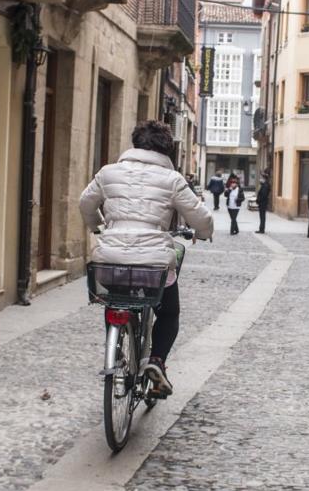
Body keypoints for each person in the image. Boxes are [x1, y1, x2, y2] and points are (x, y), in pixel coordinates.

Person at [79, 121, 213, 396]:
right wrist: (202, 232)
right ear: (167, 151)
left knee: (116, 300)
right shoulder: (173, 180)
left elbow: (85, 203)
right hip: (153, 263)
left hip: (110, 258)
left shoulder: (108, 173)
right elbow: (201, 217)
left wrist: (98, 226)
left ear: (135, 144)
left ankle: (116, 352)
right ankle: (156, 361)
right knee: (169, 312)